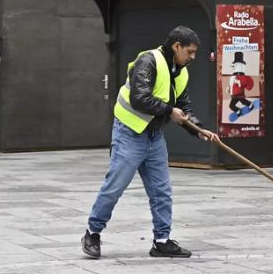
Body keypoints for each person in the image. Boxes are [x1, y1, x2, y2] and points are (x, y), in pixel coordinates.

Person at [83, 26, 219, 259]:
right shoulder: (148, 61)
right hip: (129, 134)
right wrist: (169, 111)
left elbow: (183, 108)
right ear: (177, 46)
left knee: (161, 190)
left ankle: (162, 241)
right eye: (190, 51)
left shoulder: (181, 72)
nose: (193, 57)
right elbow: (139, 99)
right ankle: (92, 232)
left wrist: (198, 130)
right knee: (115, 187)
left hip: (154, 137)